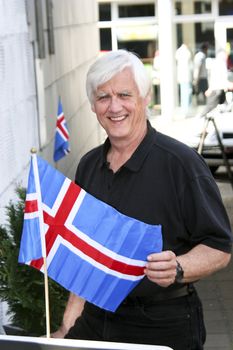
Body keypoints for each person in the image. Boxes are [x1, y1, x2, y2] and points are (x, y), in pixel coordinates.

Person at [52, 50, 232, 350]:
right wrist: (69, 322)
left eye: (124, 94)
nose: (114, 106)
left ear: (145, 97)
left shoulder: (182, 164)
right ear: (93, 106)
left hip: (162, 323)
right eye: (103, 97)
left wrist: (179, 267)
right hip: (97, 318)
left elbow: (220, 247)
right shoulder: (87, 166)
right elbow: (85, 254)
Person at [198, 49, 233, 118]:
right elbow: (219, 79)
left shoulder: (217, 63)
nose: (226, 57)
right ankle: (201, 119)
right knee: (209, 107)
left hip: (218, 89)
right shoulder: (220, 64)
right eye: (225, 55)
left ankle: (204, 120)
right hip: (217, 90)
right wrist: (228, 85)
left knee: (216, 106)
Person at [175, 43, 193, 116]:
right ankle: (185, 110)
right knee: (186, 93)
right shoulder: (187, 52)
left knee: (184, 93)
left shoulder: (178, 52)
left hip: (182, 76)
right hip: (186, 76)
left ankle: (184, 109)